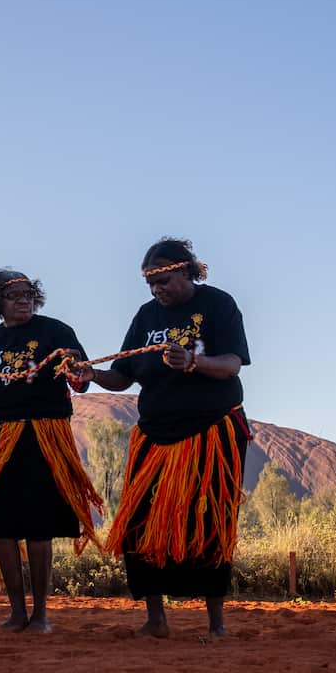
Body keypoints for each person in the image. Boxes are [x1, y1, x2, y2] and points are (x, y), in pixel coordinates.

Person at [76, 238, 251, 638]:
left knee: (209, 520)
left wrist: (193, 361)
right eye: (152, 284)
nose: (158, 290)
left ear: (188, 270)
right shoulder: (145, 316)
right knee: (138, 522)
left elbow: (232, 365)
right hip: (154, 434)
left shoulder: (218, 305)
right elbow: (123, 375)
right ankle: (156, 619)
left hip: (210, 433)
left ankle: (215, 623)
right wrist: (92, 376)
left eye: (165, 280)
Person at [0, 269, 103, 634]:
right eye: (13, 295)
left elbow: (80, 383)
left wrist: (75, 368)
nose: (23, 300)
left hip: (46, 434)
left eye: (27, 294)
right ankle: (17, 612)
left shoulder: (56, 332)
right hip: (1, 438)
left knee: (39, 528)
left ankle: (41, 614)